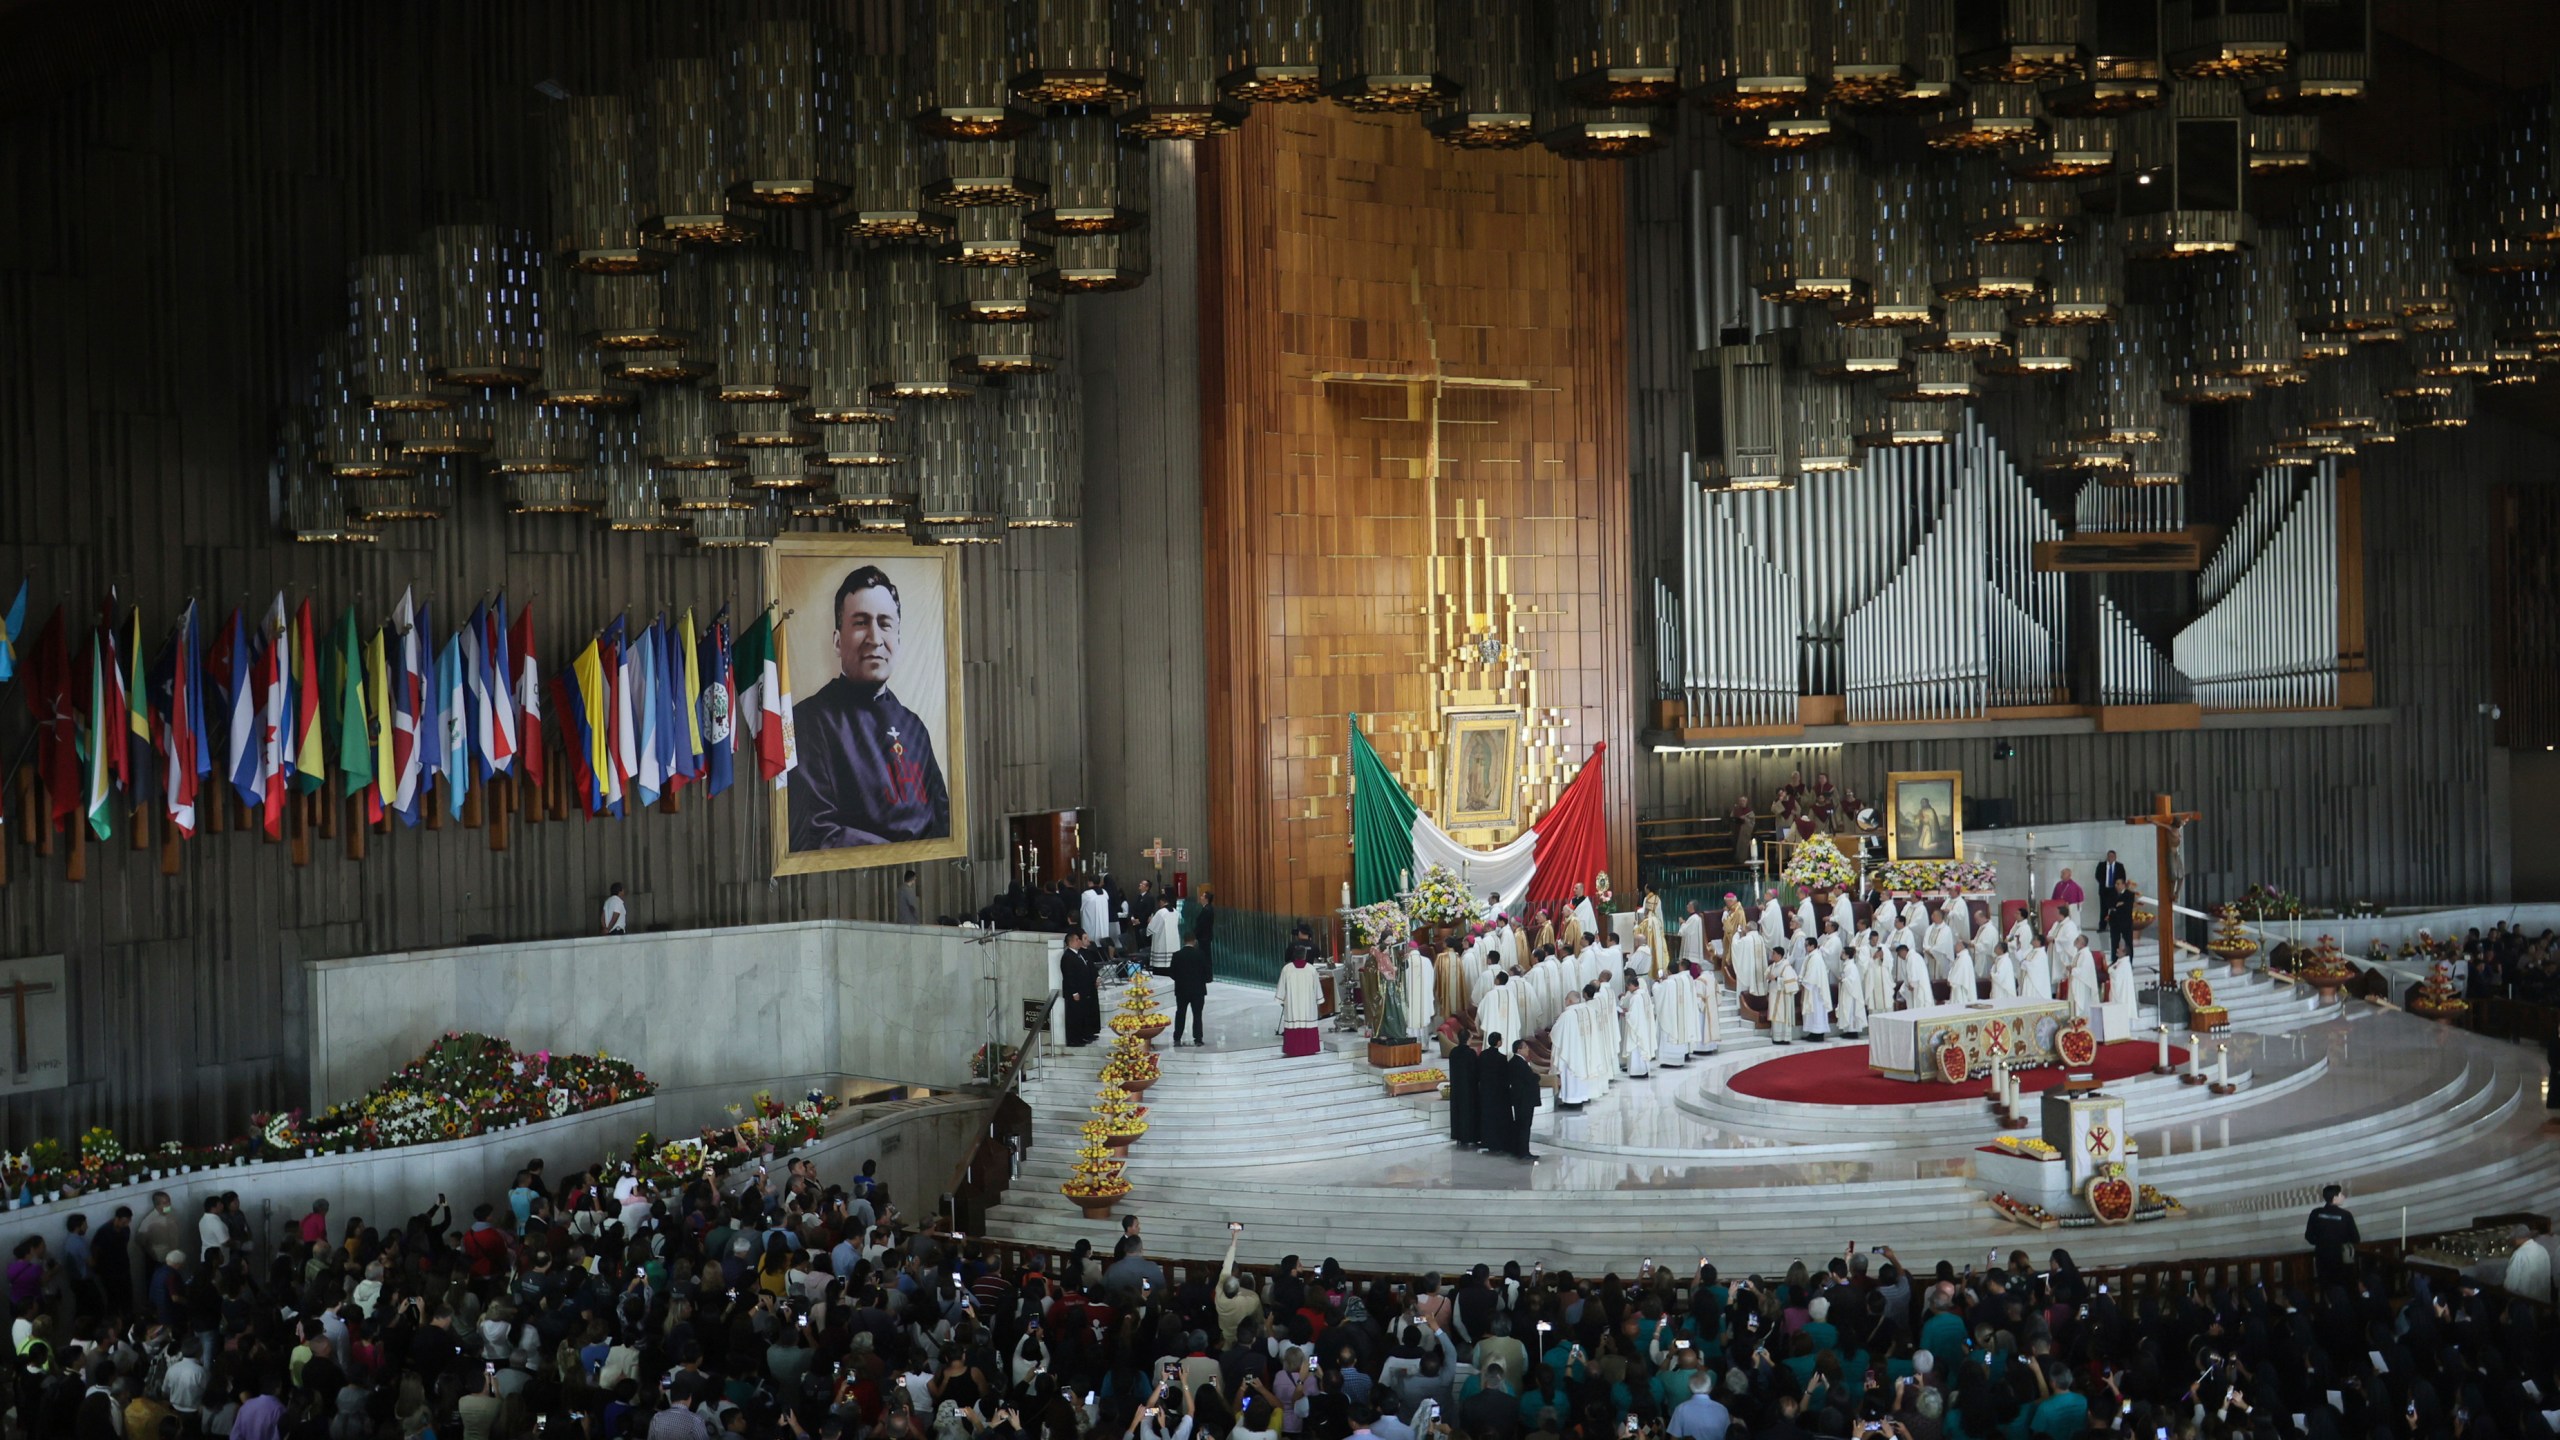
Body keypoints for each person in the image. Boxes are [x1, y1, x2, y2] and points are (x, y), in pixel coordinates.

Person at [787, 564, 952, 851]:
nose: (875, 638)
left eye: (885, 623)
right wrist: (901, 858)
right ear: (838, 642)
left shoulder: (913, 726)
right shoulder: (809, 721)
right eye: (861, 622)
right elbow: (817, 832)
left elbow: (943, 819)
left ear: (898, 640)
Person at [2305, 1184, 2361, 1283]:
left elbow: (2309, 1236)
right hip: (2341, 1258)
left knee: (2326, 1287)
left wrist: (2322, 1243)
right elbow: (2356, 1238)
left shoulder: (2315, 1213)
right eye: (2341, 1194)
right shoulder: (2345, 1215)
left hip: (2321, 1256)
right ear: (2335, 1198)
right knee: (2341, 1287)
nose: (2343, 1196)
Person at [1277, 949, 1324, 1057]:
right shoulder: (1312, 970)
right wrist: (1319, 1001)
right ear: (1305, 956)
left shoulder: (1286, 969)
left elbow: (1281, 992)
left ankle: (1293, 1050)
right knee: (1308, 1023)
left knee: (1293, 1024)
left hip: (1293, 1006)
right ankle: (1309, 1048)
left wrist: (1283, 1001)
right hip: (1308, 1006)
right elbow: (1317, 989)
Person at [1061, 927, 1102, 1046]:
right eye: (1078, 940)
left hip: (1083, 990)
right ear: (1073, 941)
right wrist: (1074, 992)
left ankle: (1083, 1035)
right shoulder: (1068, 957)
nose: (1080, 942)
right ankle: (1074, 1039)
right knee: (1075, 1016)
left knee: (1082, 1015)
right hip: (1075, 993)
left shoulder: (1078, 954)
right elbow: (1069, 976)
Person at [1503, 1040, 1542, 1161]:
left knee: (1521, 1125)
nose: (1528, 1049)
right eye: (1525, 1047)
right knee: (1524, 1126)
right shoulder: (1519, 1063)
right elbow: (1530, 1078)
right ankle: (1524, 1152)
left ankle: (1519, 1150)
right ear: (1519, 1050)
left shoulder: (1515, 1062)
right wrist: (1537, 1076)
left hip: (1521, 1099)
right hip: (1524, 1100)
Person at [1170, 935, 1212, 1047]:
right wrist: (1204, 980)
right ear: (1194, 941)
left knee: (1180, 1013)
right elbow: (1207, 972)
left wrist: (1180, 980)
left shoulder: (1177, 955)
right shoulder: (1201, 954)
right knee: (1197, 1014)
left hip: (1181, 990)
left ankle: (1177, 1038)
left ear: (1184, 941)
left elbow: (1172, 973)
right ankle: (1198, 1039)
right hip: (1198, 990)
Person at [1668, 1369, 1730, 1440]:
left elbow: (1674, 1438)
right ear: (1710, 1389)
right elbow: (1727, 1435)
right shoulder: (1722, 1409)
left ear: (1690, 1389)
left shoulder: (1680, 1409)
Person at [1448, 1026, 1479, 1148]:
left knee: (1458, 1112)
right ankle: (1469, 1136)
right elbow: (1475, 1071)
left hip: (1456, 1087)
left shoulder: (1453, 1052)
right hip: (1469, 1088)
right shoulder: (1470, 1053)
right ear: (1468, 1039)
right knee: (1469, 1113)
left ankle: (1458, 1136)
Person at [2102, 876, 2136, 962]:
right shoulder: (2112, 894)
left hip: (2126, 922)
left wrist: (2118, 906)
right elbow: (2109, 904)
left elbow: (2127, 907)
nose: (2116, 886)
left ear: (2123, 885)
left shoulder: (2130, 894)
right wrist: (2118, 905)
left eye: (2118, 884)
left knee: (2128, 943)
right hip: (2114, 922)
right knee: (2114, 943)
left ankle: (2129, 962)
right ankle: (2114, 961)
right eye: (2115, 884)